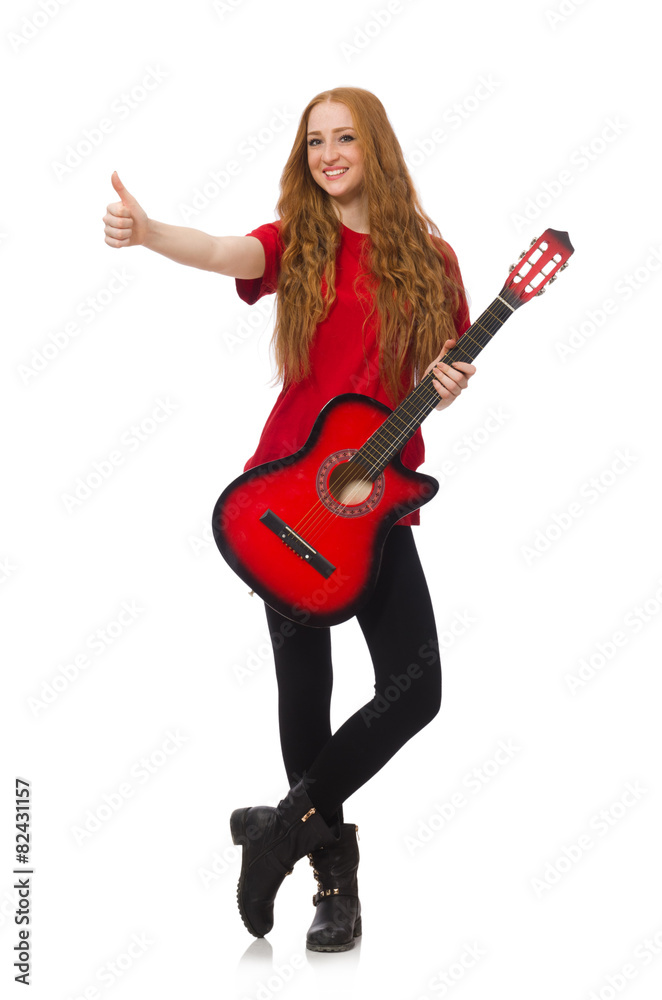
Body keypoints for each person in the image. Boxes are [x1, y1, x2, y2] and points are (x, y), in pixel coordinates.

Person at [103, 86, 476, 953]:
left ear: (376, 146)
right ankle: (333, 886)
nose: (329, 154)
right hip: (290, 499)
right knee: (304, 689)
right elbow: (228, 249)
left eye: (345, 138)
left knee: (415, 691)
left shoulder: (434, 259)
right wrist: (153, 232)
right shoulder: (302, 243)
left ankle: (280, 824)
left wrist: (450, 388)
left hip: (379, 504)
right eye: (315, 142)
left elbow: (427, 387)